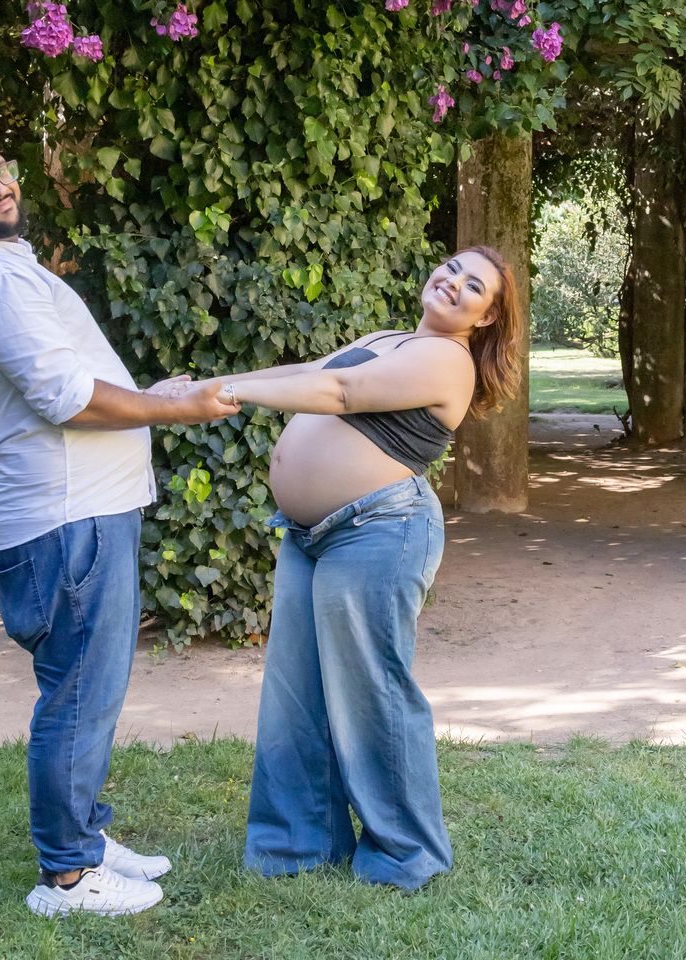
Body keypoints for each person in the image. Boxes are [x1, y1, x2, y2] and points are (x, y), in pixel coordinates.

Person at [0, 119, 234, 917]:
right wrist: (179, 409)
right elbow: (67, 399)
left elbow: (64, 379)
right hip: (66, 519)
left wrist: (152, 397)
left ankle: (82, 836)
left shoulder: (0, 267)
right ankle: (66, 876)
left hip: (76, 512)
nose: (0, 188)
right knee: (79, 696)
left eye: (1, 170)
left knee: (88, 690)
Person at [158, 247, 522, 889]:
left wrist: (230, 392)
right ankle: (296, 846)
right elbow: (310, 370)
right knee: (294, 693)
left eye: (474, 287)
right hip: (310, 535)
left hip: (379, 532)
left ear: (486, 316)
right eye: (451, 268)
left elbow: (340, 391)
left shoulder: (448, 360)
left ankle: (406, 854)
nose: (453, 283)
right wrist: (210, 386)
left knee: (371, 694)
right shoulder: (389, 338)